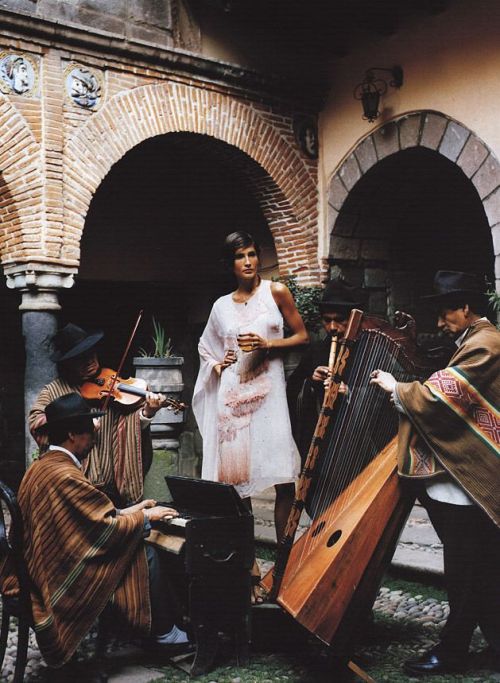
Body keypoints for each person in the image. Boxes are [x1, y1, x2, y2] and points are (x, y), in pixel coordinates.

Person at [3, 393, 190, 682]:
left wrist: (132, 509)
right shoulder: (64, 474)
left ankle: (153, 627)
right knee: (145, 552)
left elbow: (89, 518)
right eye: (89, 429)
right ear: (72, 435)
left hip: (37, 567)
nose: (94, 435)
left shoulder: (44, 466)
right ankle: (164, 632)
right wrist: (145, 518)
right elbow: (102, 530)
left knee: (137, 539)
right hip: (53, 579)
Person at [370, 270, 500, 676]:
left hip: (471, 478)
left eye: (445, 313)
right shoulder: (474, 341)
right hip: (465, 476)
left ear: (465, 307)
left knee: (466, 569)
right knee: (480, 565)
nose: (440, 323)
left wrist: (397, 388)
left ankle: (453, 649)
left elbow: (440, 398)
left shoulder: (486, 344)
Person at [192, 231, 308, 596]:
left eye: (253, 254)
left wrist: (269, 344)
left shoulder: (276, 292)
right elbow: (205, 347)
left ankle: (286, 564)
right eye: (240, 256)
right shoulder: (220, 306)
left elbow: (303, 336)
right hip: (233, 396)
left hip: (270, 395)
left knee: (284, 477)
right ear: (230, 264)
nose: (248, 261)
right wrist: (217, 364)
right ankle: (251, 567)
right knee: (237, 485)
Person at [29, 323, 165, 508]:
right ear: (67, 363)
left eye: (91, 353)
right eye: (80, 359)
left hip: (113, 488)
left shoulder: (111, 384)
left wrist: (147, 413)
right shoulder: (53, 391)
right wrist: (77, 424)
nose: (89, 361)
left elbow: (126, 423)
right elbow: (37, 423)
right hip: (75, 487)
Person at [286, 278, 361, 459]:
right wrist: (311, 380)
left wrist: (350, 391)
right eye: (327, 321)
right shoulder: (316, 350)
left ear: (352, 319)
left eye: (339, 320)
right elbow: (291, 391)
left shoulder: (367, 348)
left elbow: (382, 397)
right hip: (321, 440)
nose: (333, 327)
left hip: (356, 440)